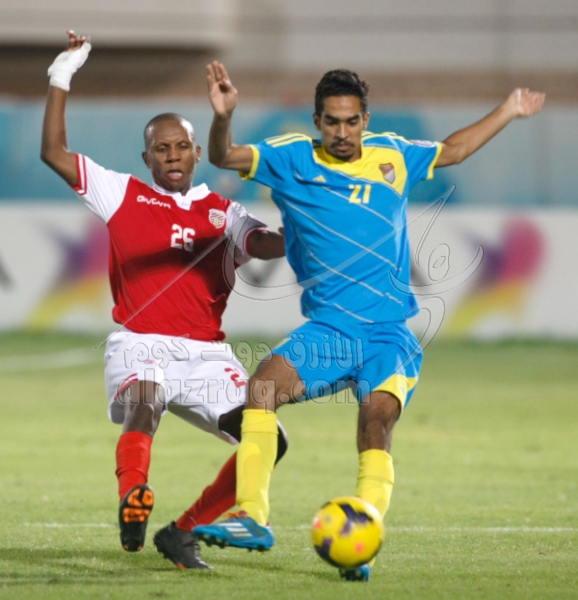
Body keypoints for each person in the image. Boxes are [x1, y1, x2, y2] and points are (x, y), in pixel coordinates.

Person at [192, 62, 546, 580]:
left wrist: (509, 110)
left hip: (388, 335)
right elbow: (224, 156)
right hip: (328, 332)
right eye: (332, 121)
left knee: (375, 424)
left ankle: (364, 539)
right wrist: (223, 116)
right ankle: (251, 515)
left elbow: (453, 150)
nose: (342, 132)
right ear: (317, 121)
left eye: (351, 121)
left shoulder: (393, 155)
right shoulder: (290, 158)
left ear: (365, 120)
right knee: (261, 389)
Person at [40, 32, 288, 570]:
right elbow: (53, 153)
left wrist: (306, 230)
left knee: (269, 436)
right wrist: (61, 75)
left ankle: (182, 532)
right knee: (145, 401)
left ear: (198, 153)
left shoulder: (224, 212)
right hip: (141, 342)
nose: (172, 156)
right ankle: (133, 498)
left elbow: (265, 243)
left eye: (181, 147)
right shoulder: (121, 193)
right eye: (161, 148)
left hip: (206, 354)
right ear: (146, 156)